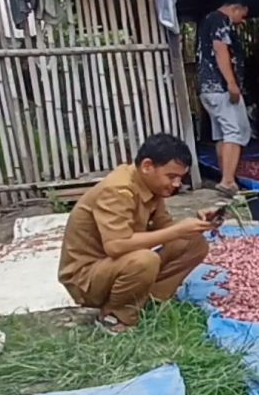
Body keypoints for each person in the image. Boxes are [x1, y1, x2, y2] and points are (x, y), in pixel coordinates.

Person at [58, 134, 218, 335]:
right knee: (144, 260)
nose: (177, 184)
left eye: (180, 178)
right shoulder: (118, 190)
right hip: (86, 278)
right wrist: (177, 230)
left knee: (194, 243)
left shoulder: (150, 186)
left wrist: (197, 224)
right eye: (171, 176)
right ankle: (114, 317)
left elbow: (166, 227)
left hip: (113, 267)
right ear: (147, 166)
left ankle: (149, 301)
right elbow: (116, 246)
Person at [197, 0, 251, 198]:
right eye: (242, 15)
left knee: (221, 134)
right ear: (234, 8)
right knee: (234, 132)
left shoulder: (208, 20)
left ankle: (226, 178)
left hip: (207, 88)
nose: (241, 20)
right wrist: (231, 82)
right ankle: (227, 181)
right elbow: (221, 50)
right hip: (219, 87)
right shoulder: (220, 20)